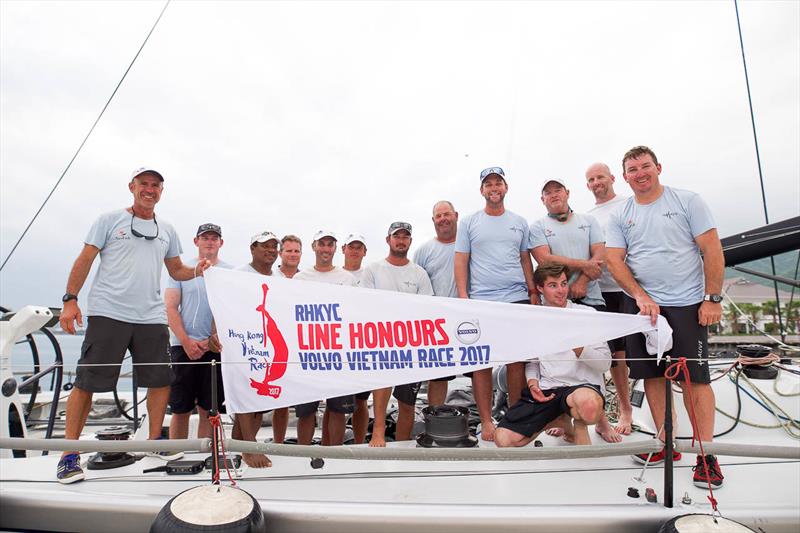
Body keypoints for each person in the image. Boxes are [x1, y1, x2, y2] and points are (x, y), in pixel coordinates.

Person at [56, 167, 210, 484]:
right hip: (108, 311)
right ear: (132, 187)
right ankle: (68, 454)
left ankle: (154, 442)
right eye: (144, 184)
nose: (149, 189)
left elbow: (177, 269)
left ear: (161, 191)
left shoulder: (167, 229)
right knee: (86, 381)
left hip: (151, 316)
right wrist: (70, 300)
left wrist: (198, 271)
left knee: (160, 379)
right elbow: (85, 259)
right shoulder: (109, 219)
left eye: (156, 185)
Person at [606, 145, 725, 488]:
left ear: (658, 167)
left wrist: (712, 298)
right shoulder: (620, 214)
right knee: (652, 375)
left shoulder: (688, 201)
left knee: (694, 379)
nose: (640, 173)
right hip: (643, 307)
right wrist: (640, 296)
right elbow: (615, 260)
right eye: (632, 169)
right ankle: (665, 444)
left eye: (645, 166)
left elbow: (711, 249)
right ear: (625, 176)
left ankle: (707, 456)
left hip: (687, 304)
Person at [529, 178, 620, 443]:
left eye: (558, 190)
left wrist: (581, 281)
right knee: (560, 355)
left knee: (598, 356)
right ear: (542, 199)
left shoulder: (588, 221)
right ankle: (566, 418)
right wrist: (576, 273)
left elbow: (600, 255)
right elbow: (544, 259)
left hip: (589, 295)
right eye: (547, 192)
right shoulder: (538, 226)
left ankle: (601, 420)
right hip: (559, 297)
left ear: (568, 193)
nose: (553, 195)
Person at [454, 166, 537, 441]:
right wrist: (464, 297)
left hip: (516, 297)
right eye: (488, 184)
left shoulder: (519, 222)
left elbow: (525, 258)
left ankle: (513, 419)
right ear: (482, 190)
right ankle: (487, 422)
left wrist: (532, 290)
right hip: (482, 300)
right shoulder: (468, 222)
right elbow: (461, 259)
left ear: (505, 188)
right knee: (482, 362)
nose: (493, 188)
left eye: (498, 183)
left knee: (516, 362)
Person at [495, 263, 611, 448]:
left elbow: (605, 364)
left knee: (588, 409)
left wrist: (577, 347)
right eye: (553, 285)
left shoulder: (588, 315)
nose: (561, 291)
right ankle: (557, 420)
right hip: (550, 389)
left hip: (582, 387)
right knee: (503, 440)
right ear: (540, 288)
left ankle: (578, 424)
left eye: (564, 284)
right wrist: (533, 383)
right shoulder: (535, 319)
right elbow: (533, 362)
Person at [361, 222, 434, 447]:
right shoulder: (373, 269)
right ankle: (378, 432)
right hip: (382, 341)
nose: (401, 240)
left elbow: (427, 307)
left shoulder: (419, 273)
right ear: (388, 240)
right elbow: (364, 305)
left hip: (411, 343)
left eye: (405, 237)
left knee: (407, 401)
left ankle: (402, 443)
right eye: (396, 236)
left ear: (410, 241)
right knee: (381, 390)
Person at [165, 223, 231, 442]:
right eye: (205, 238)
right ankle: (176, 453)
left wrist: (212, 338)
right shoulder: (181, 270)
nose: (210, 242)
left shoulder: (230, 272)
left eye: (214, 238)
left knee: (209, 409)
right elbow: (171, 307)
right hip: (183, 347)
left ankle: (206, 456)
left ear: (221, 242)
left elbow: (232, 310)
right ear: (196, 241)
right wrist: (186, 341)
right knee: (180, 409)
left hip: (215, 348)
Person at [294, 231, 358, 446]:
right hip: (309, 352)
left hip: (338, 352)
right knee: (306, 411)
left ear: (334, 248)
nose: (325, 248)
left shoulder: (347, 279)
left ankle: (334, 452)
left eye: (330, 244)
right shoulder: (300, 278)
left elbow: (355, 313)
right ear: (314, 246)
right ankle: (302, 454)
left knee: (338, 409)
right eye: (321, 243)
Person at [586, 162, 634, 435]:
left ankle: (661, 413)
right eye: (591, 179)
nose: (596, 182)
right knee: (614, 357)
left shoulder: (628, 204)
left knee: (638, 354)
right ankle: (623, 409)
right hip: (602, 292)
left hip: (629, 289)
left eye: (600, 177)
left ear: (613, 178)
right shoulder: (589, 217)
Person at [232, 230, 285, 467]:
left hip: (268, 342)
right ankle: (250, 447)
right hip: (242, 340)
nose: (271, 250)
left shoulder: (280, 279)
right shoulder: (236, 275)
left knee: (260, 397)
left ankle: (237, 443)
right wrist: (215, 332)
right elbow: (221, 304)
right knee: (245, 395)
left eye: (274, 246)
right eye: (265, 245)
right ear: (252, 248)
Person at [413, 200, 459, 406]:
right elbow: (415, 287)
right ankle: (435, 417)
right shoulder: (423, 251)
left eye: (446, 214)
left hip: (470, 318)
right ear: (433, 221)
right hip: (437, 323)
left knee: (479, 371)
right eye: (438, 216)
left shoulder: (468, 244)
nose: (443, 219)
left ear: (456, 215)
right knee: (439, 375)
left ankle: (486, 420)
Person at [341, 233, 371, 443]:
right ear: (343, 249)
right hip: (339, 343)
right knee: (338, 403)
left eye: (358, 247)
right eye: (351, 247)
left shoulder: (370, 274)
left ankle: (359, 444)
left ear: (364, 252)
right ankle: (336, 443)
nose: (354, 251)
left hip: (362, 344)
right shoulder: (335, 275)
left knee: (361, 400)